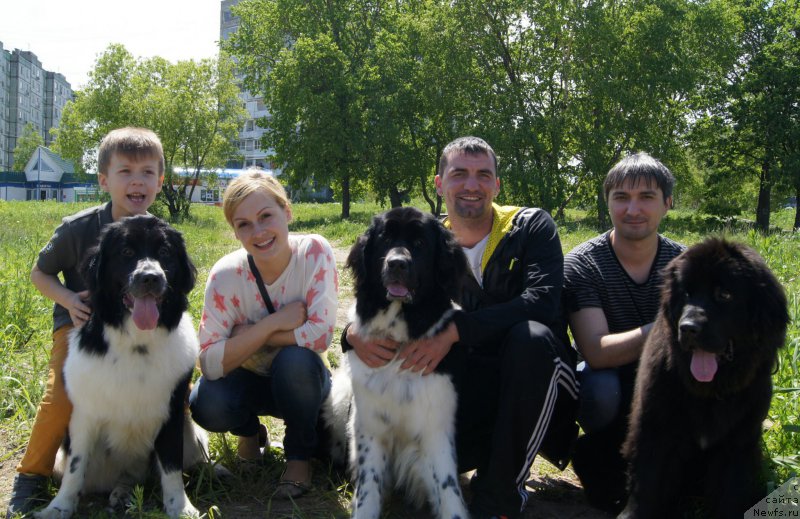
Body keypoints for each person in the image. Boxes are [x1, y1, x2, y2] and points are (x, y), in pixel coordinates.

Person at [343, 136, 578, 519]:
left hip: (537, 387)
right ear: (439, 183)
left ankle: (499, 499)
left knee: (530, 338)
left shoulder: (531, 226)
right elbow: (380, 301)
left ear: (497, 185)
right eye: (459, 174)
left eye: (483, 175)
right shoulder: (425, 239)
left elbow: (544, 302)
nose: (472, 185)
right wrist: (350, 335)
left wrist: (457, 331)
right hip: (467, 396)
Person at [6, 127, 166, 518]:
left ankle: (164, 467)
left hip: (137, 328)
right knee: (62, 392)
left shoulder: (157, 232)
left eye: (147, 172)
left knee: (171, 388)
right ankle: (31, 475)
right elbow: (39, 274)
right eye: (125, 171)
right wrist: (67, 299)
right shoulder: (78, 228)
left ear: (160, 182)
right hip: (81, 326)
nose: (137, 181)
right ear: (103, 180)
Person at [188, 170, 337, 500]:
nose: (258, 231)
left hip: (304, 383)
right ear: (235, 232)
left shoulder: (313, 253)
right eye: (243, 224)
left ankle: (298, 459)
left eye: (266, 216)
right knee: (207, 402)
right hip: (249, 382)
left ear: (287, 212)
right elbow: (210, 363)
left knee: (296, 359)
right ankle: (250, 433)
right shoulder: (226, 275)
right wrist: (272, 325)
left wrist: (249, 337)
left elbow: (320, 338)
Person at [562, 152, 685, 513]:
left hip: (669, 377)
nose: (633, 209)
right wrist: (668, 325)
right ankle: (603, 453)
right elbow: (596, 351)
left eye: (646, 197)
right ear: (608, 203)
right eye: (622, 197)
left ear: (667, 203)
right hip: (609, 379)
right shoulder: (583, 264)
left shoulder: (687, 264)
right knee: (600, 391)